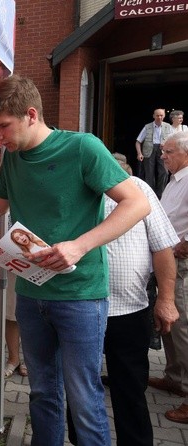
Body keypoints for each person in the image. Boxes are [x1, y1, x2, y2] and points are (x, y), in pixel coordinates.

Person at [0, 75, 150, 445]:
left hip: (80, 295)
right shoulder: (13, 156)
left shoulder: (82, 148)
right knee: (41, 391)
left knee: (83, 397)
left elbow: (137, 203)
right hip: (31, 293)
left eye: (4, 127)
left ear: (30, 114)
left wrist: (79, 245)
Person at [67, 157, 179, 446]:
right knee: (79, 392)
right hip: (79, 308)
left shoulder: (139, 189)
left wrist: (166, 299)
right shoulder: (70, 191)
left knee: (129, 389)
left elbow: (163, 248)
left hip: (128, 309)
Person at [154, 130, 188, 424]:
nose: (162, 156)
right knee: (171, 328)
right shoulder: (174, 180)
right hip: (170, 261)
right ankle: (175, 377)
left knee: (184, 328)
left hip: (182, 263)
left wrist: (184, 244)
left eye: (168, 151)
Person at [135, 108, 172, 197]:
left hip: (163, 150)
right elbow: (138, 141)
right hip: (149, 151)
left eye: (161, 115)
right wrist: (139, 153)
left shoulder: (168, 127)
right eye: (157, 115)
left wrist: (166, 146)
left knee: (164, 172)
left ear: (164, 116)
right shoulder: (147, 126)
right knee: (149, 173)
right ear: (153, 116)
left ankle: (161, 194)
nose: (159, 117)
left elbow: (172, 141)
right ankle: (150, 194)